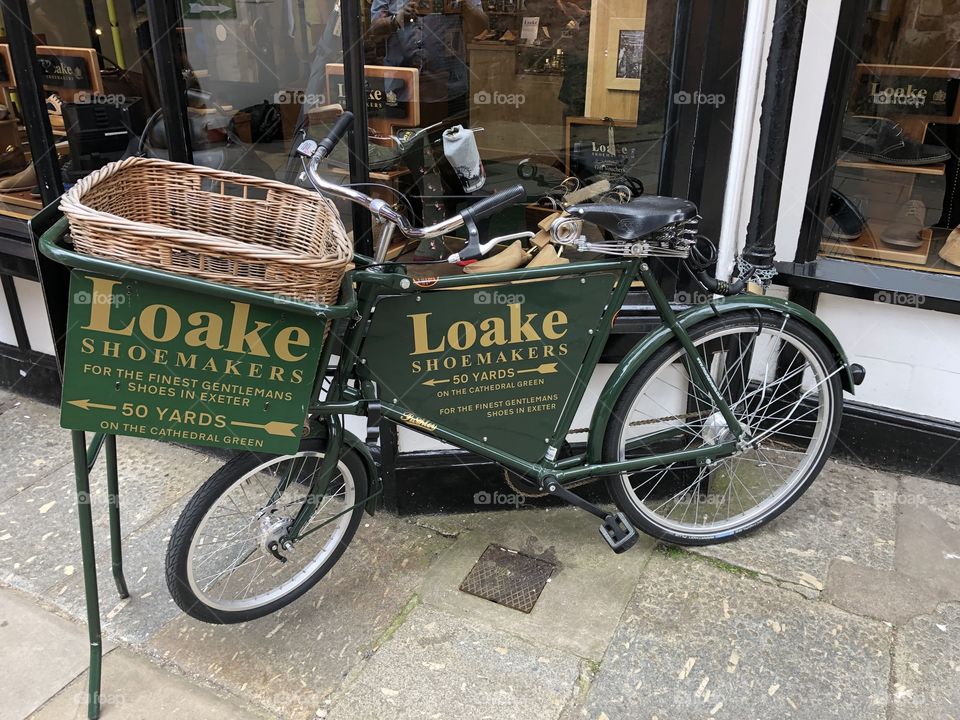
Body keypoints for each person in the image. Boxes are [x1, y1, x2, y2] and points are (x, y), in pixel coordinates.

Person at [368, 0, 487, 126]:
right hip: (401, 89)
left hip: (449, 88)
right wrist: (396, 19)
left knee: (451, 143)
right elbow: (374, 30)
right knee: (406, 144)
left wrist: (465, 5)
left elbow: (481, 28)